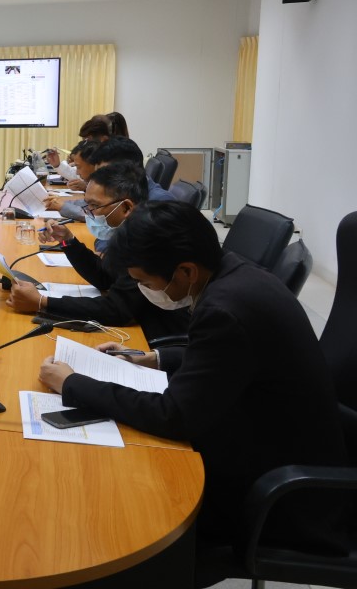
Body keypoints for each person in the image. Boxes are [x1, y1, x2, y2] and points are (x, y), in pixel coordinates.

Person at [37, 202, 347, 575]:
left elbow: (174, 416)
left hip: (280, 498)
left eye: (146, 282)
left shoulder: (224, 309)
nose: (144, 290)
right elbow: (228, 356)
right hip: (276, 443)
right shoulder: (238, 275)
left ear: (185, 270)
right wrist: (153, 359)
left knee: (108, 508)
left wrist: (72, 383)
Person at [8, 162, 190, 344]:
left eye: (94, 206)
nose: (89, 213)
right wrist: (67, 241)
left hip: (157, 336)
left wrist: (42, 302)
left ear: (126, 208)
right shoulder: (125, 232)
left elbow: (117, 310)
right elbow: (105, 277)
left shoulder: (147, 243)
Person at [90, 136, 175, 202]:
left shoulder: (160, 201)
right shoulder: (123, 193)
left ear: (129, 169)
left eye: (106, 175)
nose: (101, 182)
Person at [43, 139, 99, 221]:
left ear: (95, 165)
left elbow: (96, 216)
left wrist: (62, 206)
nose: (77, 172)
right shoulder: (97, 181)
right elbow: (86, 203)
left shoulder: (110, 183)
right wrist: (57, 202)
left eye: (78, 167)